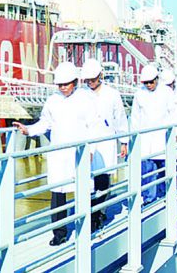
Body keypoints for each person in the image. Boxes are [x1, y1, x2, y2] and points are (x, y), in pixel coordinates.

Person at [13, 62, 103, 246]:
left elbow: (94, 127)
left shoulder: (85, 99)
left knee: (83, 191)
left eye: (66, 84)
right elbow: (45, 123)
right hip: (59, 154)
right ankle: (59, 233)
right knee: (57, 193)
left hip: (80, 153)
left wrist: (91, 150)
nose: (62, 88)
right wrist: (29, 130)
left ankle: (86, 227)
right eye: (60, 85)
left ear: (74, 82)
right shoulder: (52, 101)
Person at [80, 58, 127, 231]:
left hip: (106, 142)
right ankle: (89, 213)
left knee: (103, 179)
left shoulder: (112, 94)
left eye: (93, 79)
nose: (90, 83)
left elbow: (120, 118)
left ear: (100, 75)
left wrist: (124, 141)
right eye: (88, 80)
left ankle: (99, 213)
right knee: (87, 181)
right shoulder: (81, 95)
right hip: (87, 143)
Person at [130, 65, 172, 204]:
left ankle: (165, 193)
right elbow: (135, 116)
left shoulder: (166, 92)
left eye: (151, 82)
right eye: (145, 82)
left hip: (162, 135)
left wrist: (174, 132)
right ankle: (149, 198)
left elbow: (173, 113)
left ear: (157, 79)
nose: (148, 85)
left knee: (164, 168)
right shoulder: (139, 94)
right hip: (145, 137)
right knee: (148, 170)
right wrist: (134, 136)